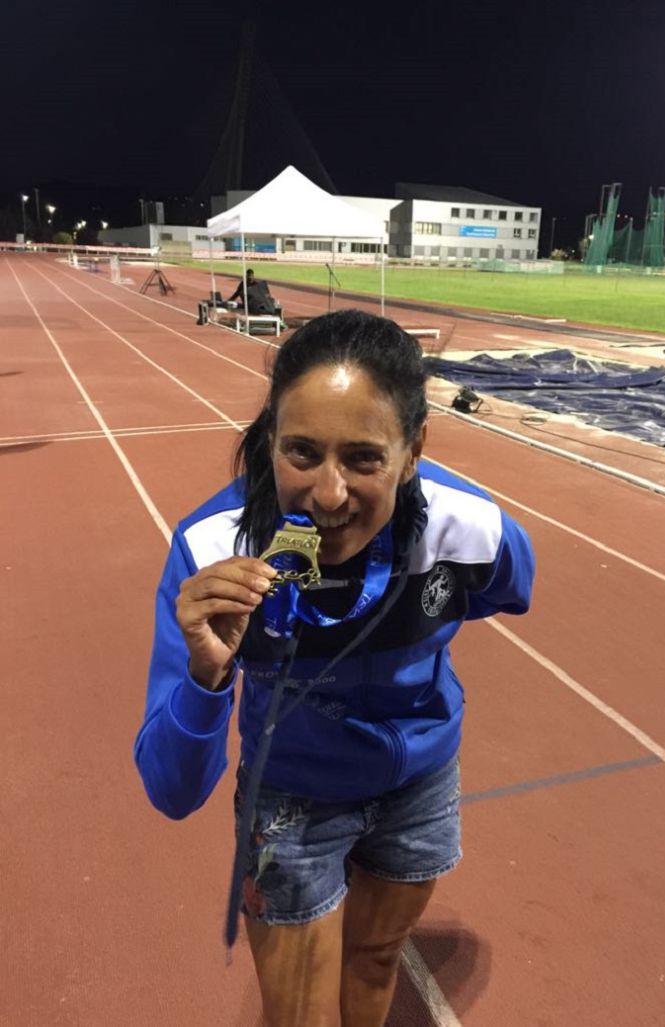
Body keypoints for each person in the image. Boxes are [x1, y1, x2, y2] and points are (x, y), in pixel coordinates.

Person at [134, 309, 535, 1027]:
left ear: (412, 451)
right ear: (271, 440)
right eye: (301, 452)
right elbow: (170, 789)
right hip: (292, 796)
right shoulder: (212, 550)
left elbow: (512, 587)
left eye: (362, 457)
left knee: (376, 960)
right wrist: (208, 677)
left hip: (419, 783)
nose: (327, 493)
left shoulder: (466, 525)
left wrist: (413, 624)